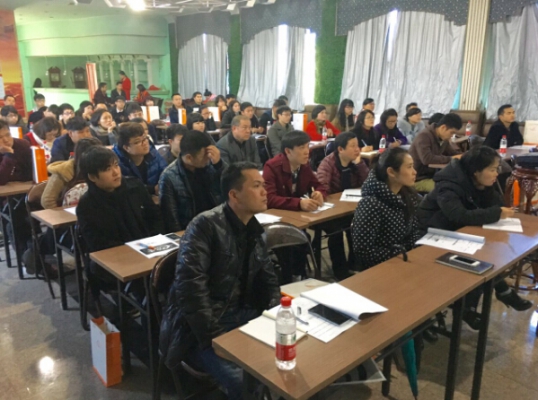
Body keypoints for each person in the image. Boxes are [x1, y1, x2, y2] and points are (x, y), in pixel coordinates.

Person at [159, 162, 280, 400]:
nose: (265, 192)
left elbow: (268, 278)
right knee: (244, 383)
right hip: (201, 331)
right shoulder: (204, 226)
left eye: (263, 185)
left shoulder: (253, 228)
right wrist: (215, 340)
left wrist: (275, 314)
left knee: (293, 353)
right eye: (257, 186)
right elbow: (191, 291)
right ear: (234, 195)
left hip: (242, 314)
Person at [417, 146, 532, 328]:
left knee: (486, 253)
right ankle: (491, 296)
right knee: (480, 257)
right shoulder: (448, 185)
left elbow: (496, 204)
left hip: (456, 231)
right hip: (431, 235)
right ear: (476, 171)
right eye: (492, 169)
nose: (496, 173)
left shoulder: (478, 182)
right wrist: (496, 213)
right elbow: (458, 215)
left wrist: (491, 198)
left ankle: (473, 306)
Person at [264, 130, 327, 282]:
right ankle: (290, 279)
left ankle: (299, 276)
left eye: (307, 146)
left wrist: (319, 193)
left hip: (297, 218)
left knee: (302, 241)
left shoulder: (303, 166)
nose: (307, 151)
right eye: (301, 147)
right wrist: (298, 203)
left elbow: (319, 185)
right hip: (277, 219)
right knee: (292, 245)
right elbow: (269, 198)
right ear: (288, 151)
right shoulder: (272, 166)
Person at [77, 146, 163, 257]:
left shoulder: (135, 187)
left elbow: (155, 217)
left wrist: (153, 240)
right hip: (116, 257)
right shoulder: (87, 205)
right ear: (92, 177)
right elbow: (98, 244)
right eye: (107, 169)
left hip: (149, 247)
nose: (116, 172)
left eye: (116, 165)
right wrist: (132, 251)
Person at [352, 147, 420, 270]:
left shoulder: (408, 195)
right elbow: (363, 250)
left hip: (406, 260)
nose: (414, 172)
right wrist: (399, 254)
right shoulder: (371, 204)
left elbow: (414, 230)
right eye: (409, 167)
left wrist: (413, 250)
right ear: (391, 172)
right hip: (379, 268)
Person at [317, 132, 369, 279]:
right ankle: (340, 272)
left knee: (360, 224)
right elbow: (322, 186)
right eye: (353, 146)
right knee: (336, 231)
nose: (357, 149)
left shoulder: (357, 162)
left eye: (358, 145)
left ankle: (355, 264)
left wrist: (359, 164)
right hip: (331, 211)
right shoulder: (328, 163)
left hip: (351, 207)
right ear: (340, 149)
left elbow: (368, 182)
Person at [159, 130, 225, 232]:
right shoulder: (169, 177)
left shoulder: (212, 166)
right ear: (189, 158)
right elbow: (171, 220)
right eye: (204, 155)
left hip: (216, 224)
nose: (208, 157)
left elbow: (230, 189)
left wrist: (219, 166)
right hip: (191, 230)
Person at [41, 137, 103, 209]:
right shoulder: (64, 171)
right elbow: (47, 201)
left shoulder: (103, 167)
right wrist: (64, 214)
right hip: (67, 212)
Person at [409, 113, 462, 193]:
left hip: (432, 175)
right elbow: (427, 159)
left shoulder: (443, 138)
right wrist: (451, 158)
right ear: (443, 127)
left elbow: (452, 152)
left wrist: (463, 155)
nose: (452, 136)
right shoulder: (424, 136)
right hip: (417, 179)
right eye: (451, 132)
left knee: (456, 184)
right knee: (446, 189)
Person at [112, 122, 167, 195]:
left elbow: (165, 173)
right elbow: (126, 188)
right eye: (137, 142)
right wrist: (152, 190)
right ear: (126, 148)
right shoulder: (117, 162)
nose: (145, 143)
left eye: (145, 138)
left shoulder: (153, 153)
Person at [0, 120, 32, 185]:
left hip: (23, 187)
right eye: (0, 137)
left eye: (8, 135)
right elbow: (1, 180)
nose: (6, 140)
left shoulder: (23, 145)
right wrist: (9, 155)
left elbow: (30, 174)